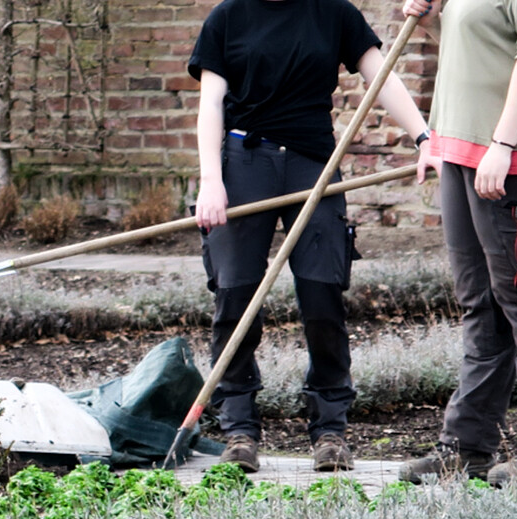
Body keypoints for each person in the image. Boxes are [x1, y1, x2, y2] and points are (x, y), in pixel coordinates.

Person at [188, 0, 442, 473]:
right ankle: (239, 428)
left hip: (314, 166)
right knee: (234, 296)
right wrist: (210, 180)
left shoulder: (334, 13)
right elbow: (211, 103)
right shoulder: (228, 17)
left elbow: (380, 75)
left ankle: (330, 429)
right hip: (243, 163)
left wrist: (424, 137)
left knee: (323, 297)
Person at [397, 0, 517, 485]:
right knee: (482, 304)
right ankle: (465, 448)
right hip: (466, 151)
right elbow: (486, 50)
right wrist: (431, 20)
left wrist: (502, 146)